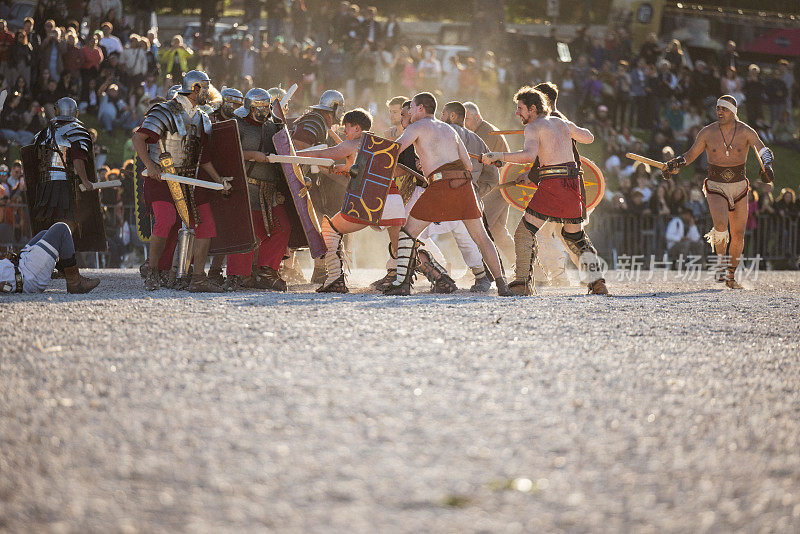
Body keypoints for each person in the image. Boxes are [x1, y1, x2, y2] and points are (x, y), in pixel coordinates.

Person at [482, 87, 607, 295]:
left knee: (524, 231)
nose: (517, 113)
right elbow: (589, 137)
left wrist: (499, 155)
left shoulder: (533, 127)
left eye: (520, 108)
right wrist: (567, 128)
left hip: (552, 184)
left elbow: (529, 156)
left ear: (532, 109)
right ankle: (598, 282)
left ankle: (522, 283)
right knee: (575, 236)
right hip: (573, 183)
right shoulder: (560, 122)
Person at [384, 92, 512, 296]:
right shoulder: (449, 129)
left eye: (411, 107)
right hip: (464, 184)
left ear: (420, 108)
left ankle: (402, 283)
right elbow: (468, 164)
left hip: (440, 185)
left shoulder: (417, 126)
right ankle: (502, 284)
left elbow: (394, 150)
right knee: (481, 237)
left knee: (407, 233)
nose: (408, 111)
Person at [132, 70, 233, 292]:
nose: (209, 92)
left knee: (207, 224)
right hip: (162, 179)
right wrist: (151, 165)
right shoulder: (164, 110)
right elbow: (138, 138)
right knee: (166, 220)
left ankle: (197, 278)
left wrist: (218, 180)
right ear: (195, 89)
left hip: (190, 181)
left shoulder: (202, 117)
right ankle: (153, 270)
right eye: (205, 88)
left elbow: (203, 157)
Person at [662, 94, 774, 289]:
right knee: (721, 227)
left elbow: (763, 150)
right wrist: (675, 163)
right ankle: (721, 265)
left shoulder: (746, 131)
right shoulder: (707, 132)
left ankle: (731, 275)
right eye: (718, 109)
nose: (719, 112)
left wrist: (767, 167)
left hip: (740, 186)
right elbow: (690, 155)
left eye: (724, 109)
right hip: (715, 186)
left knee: (738, 234)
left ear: (733, 112)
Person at [297, 108, 407, 293]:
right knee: (401, 246)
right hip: (392, 199)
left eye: (347, 127)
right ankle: (428, 277)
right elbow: (355, 168)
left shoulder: (354, 143)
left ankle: (335, 279)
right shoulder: (379, 144)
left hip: (369, 200)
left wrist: (293, 154)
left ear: (356, 128)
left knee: (330, 230)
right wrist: (339, 169)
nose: (344, 131)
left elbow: (324, 154)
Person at [223, 88, 292, 292]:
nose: (263, 112)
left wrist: (282, 188)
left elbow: (282, 157)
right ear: (250, 108)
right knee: (245, 232)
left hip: (270, 190)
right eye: (259, 108)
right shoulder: (238, 125)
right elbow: (226, 153)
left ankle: (267, 271)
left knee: (282, 227)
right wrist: (252, 154)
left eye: (266, 108)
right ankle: (237, 276)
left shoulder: (272, 127)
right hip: (247, 187)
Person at [462, 101, 515, 265]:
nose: (465, 123)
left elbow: (481, 164)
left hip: (496, 186)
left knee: (480, 228)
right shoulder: (480, 131)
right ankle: (525, 266)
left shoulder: (485, 133)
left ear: (477, 117)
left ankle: (481, 270)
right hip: (499, 185)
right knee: (497, 230)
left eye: (467, 119)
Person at [0, 222, 99, 294]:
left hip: (19, 266)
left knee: (43, 234)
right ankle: (75, 282)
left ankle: (60, 270)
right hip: (27, 277)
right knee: (61, 229)